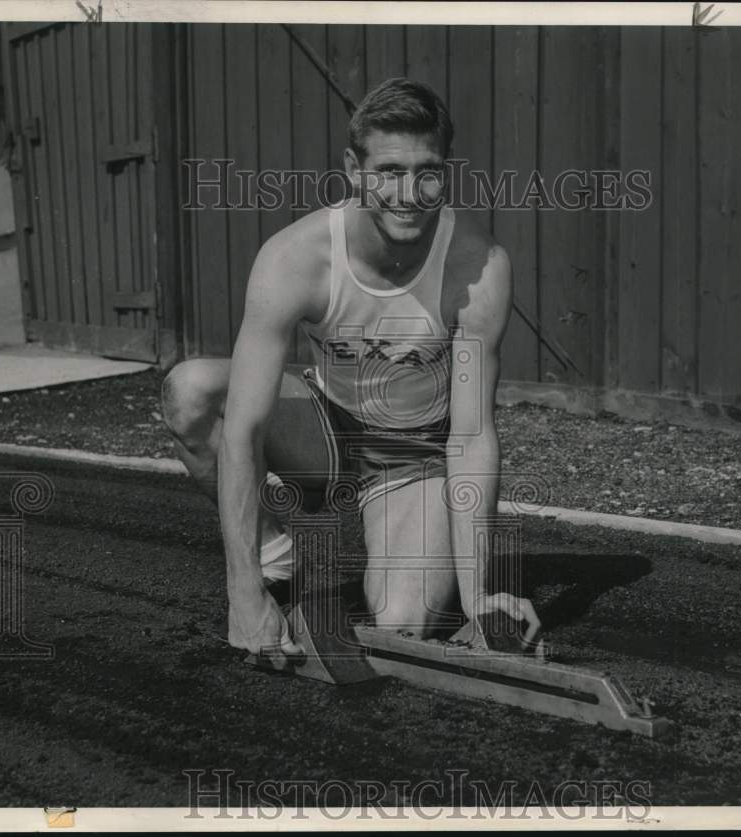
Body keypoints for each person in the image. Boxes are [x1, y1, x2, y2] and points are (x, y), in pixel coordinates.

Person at [162, 78, 540, 667]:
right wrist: (244, 592)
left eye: (427, 171)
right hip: (326, 428)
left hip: (415, 454)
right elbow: (243, 430)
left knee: (404, 625)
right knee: (191, 391)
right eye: (388, 170)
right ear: (354, 169)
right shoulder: (296, 259)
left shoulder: (476, 267)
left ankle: (406, 548)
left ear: (447, 170)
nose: (409, 192)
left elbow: (470, 436)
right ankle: (276, 556)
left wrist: (478, 597)